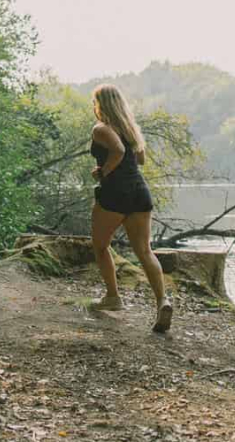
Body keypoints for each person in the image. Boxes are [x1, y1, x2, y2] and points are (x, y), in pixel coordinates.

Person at [86, 83, 172, 333]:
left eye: (95, 102)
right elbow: (139, 159)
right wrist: (109, 165)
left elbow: (118, 151)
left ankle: (113, 297)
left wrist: (103, 172)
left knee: (101, 246)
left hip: (115, 194)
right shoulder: (130, 128)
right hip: (139, 193)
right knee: (145, 251)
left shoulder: (101, 128)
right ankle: (162, 302)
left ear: (100, 104)